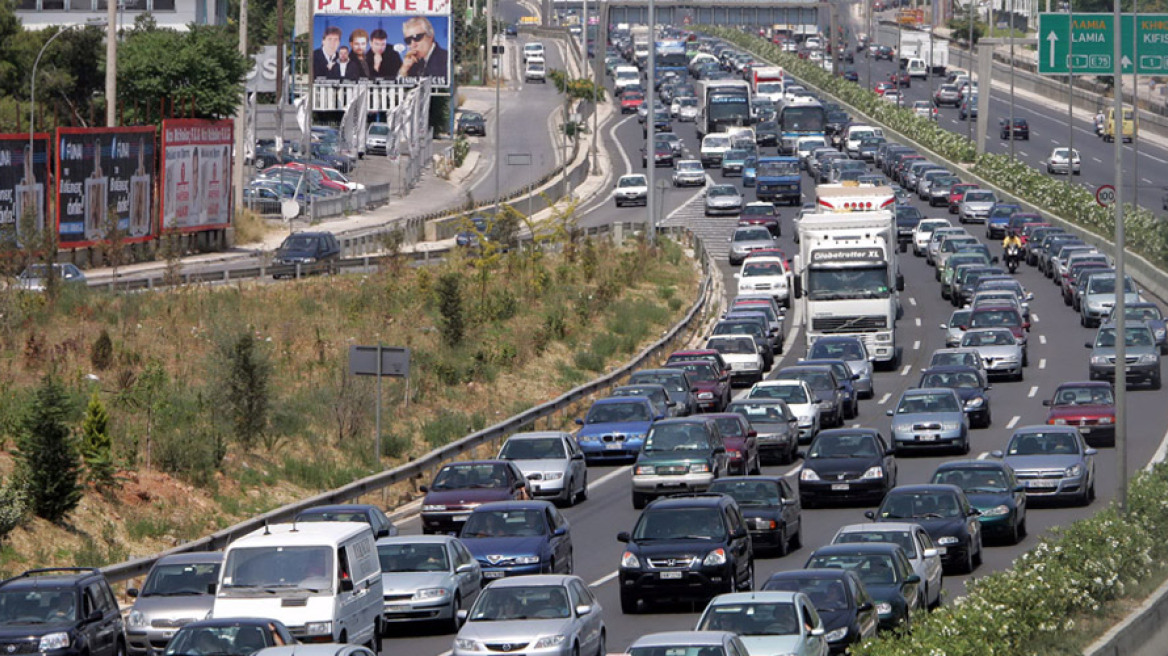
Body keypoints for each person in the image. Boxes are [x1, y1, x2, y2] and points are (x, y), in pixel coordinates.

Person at [399, 16, 448, 81]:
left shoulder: (446, 59)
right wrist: (404, 70)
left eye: (417, 37)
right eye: (408, 40)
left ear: (430, 35)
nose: (413, 45)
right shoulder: (411, 64)